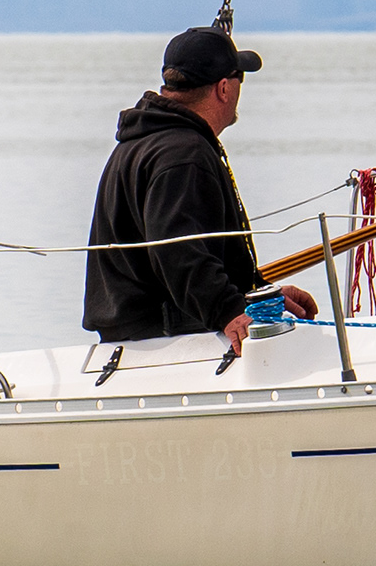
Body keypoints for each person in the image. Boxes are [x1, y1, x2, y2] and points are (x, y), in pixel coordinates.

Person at [82, 25, 321, 350]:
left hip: (137, 334)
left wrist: (260, 295)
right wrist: (230, 312)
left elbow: (193, 254)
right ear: (223, 88)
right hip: (165, 340)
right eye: (240, 78)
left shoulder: (141, 142)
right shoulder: (182, 155)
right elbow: (178, 251)